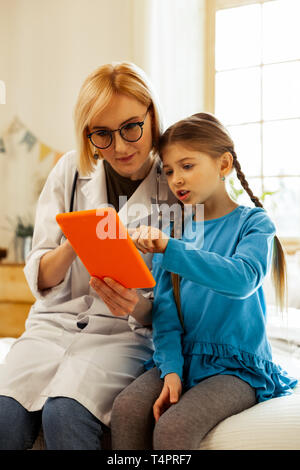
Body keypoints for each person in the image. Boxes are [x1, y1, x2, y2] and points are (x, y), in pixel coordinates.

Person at [0, 62, 176, 450]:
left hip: (122, 339)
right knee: (4, 415)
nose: (121, 147)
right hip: (50, 329)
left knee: (65, 413)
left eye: (132, 126)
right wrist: (74, 245)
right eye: (102, 134)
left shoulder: (175, 184)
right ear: (88, 134)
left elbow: (175, 305)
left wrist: (136, 307)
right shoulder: (68, 171)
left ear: (152, 115)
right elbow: (40, 275)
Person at [110, 112, 298, 450]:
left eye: (187, 166)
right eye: (168, 171)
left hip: (236, 368)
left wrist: (171, 249)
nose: (176, 179)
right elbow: (165, 314)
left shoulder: (255, 223)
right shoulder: (174, 232)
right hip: (181, 356)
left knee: (173, 429)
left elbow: (242, 278)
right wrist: (170, 371)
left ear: (224, 164)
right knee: (125, 409)